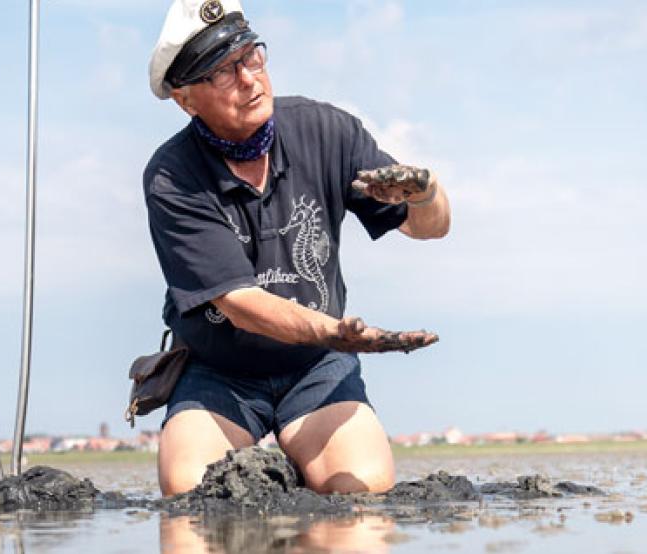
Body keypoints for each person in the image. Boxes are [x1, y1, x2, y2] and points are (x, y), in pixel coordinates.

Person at [143, 0, 451, 496]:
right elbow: (239, 304)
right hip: (219, 369)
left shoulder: (327, 130)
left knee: (363, 489)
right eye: (222, 72)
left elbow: (427, 228)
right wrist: (334, 331)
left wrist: (428, 191)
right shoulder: (172, 176)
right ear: (185, 99)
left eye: (251, 57)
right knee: (191, 491)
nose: (248, 79)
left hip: (316, 367)